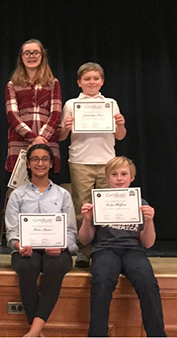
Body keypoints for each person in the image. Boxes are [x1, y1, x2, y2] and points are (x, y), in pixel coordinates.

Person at [79, 156, 166, 337]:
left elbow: (148, 243)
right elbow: (85, 240)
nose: (119, 178)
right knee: (102, 280)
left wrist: (149, 221)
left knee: (148, 282)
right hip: (105, 249)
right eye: (114, 174)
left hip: (133, 250)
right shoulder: (99, 202)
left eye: (124, 174)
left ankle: (157, 335)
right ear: (107, 177)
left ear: (132, 177)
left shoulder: (141, 204)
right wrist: (87, 221)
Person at [5, 144, 78, 337]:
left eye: (45, 159)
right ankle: (36, 331)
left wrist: (62, 246)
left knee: (55, 267)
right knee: (27, 267)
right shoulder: (17, 195)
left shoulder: (63, 195)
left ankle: (33, 331)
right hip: (26, 250)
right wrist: (18, 246)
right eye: (35, 159)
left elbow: (71, 231)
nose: (40, 163)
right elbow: (11, 232)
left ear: (51, 163)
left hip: (57, 251)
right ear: (28, 164)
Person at [59, 62, 127, 268]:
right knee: (83, 209)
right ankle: (84, 251)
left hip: (107, 162)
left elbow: (120, 136)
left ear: (102, 81)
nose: (91, 82)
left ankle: (106, 248)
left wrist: (120, 124)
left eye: (96, 78)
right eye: (87, 79)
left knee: (107, 208)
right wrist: (66, 127)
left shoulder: (110, 104)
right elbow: (61, 137)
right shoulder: (71, 104)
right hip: (81, 161)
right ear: (79, 82)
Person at [5, 39, 62, 176]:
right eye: (27, 53)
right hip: (20, 140)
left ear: (42, 56)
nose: (31, 56)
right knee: (19, 187)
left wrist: (41, 138)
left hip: (46, 140)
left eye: (36, 53)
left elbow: (56, 114)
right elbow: (12, 115)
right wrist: (33, 137)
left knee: (45, 185)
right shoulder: (12, 84)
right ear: (21, 57)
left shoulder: (53, 83)